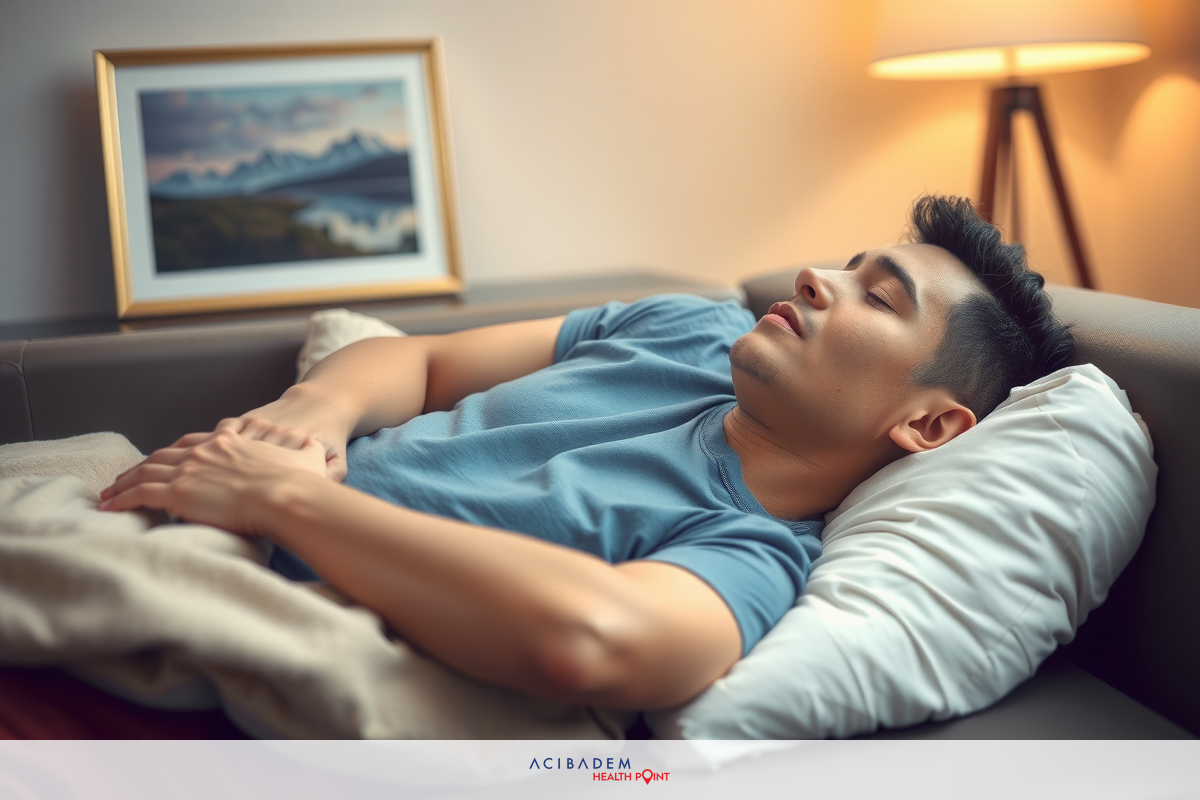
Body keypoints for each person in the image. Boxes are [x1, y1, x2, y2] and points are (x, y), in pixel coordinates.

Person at [99, 195, 1074, 711]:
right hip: (160, 501)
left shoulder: (752, 550)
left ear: (932, 426)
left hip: (231, 596)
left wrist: (283, 500)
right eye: (847, 264)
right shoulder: (690, 326)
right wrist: (310, 414)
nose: (819, 277)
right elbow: (425, 359)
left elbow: (593, 639)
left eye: (879, 296)